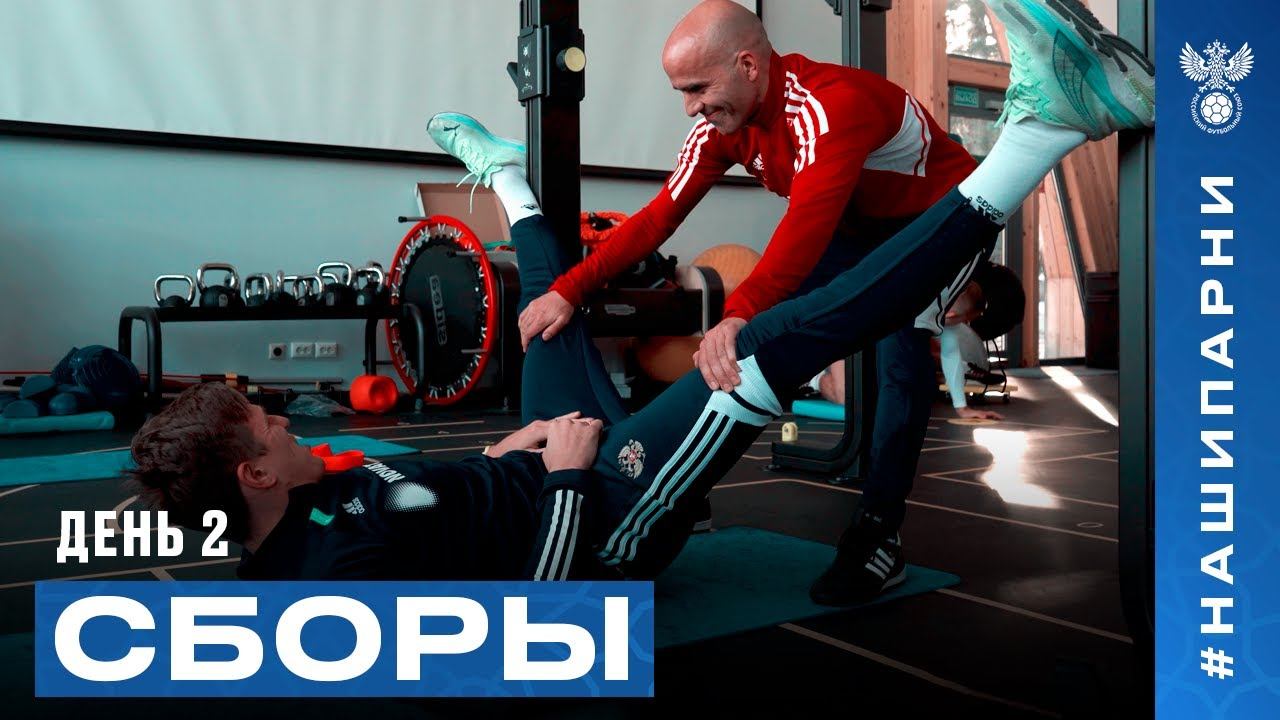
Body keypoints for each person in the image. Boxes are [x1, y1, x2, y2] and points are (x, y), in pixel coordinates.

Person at [129, 0, 1153, 598]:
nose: (691, 110)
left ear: (748, 64)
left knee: (868, 345)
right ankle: (1041, 133)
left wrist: (510, 447)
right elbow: (661, 216)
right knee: (635, 324)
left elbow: (803, 234)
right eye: (267, 426)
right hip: (595, 496)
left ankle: (876, 533)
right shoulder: (327, 556)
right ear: (254, 473)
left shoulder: (830, 106)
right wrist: (572, 440)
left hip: (912, 221)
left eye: (699, 90)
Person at [814, 261, 1026, 421]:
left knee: (874, 395)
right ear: (952, 315)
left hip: (872, 331)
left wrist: (962, 408)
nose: (964, 326)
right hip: (847, 320)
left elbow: (950, 355)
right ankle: (814, 379)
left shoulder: (944, 316)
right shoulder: (914, 295)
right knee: (847, 397)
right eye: (965, 322)